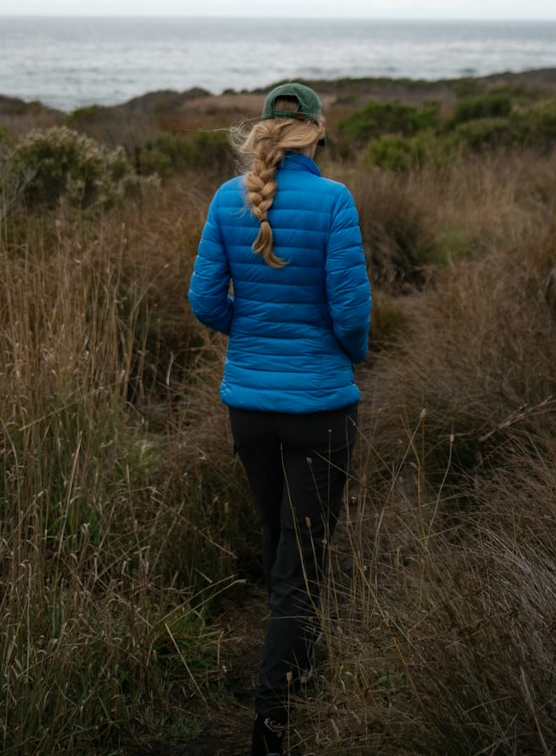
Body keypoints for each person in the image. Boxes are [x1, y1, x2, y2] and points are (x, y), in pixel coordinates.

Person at [188, 81, 372, 756]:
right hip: (320, 408)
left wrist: (256, 334)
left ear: (268, 130)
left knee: (280, 540)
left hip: (250, 411)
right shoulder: (334, 200)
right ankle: (272, 718)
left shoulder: (224, 199)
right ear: (316, 133)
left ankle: (296, 646)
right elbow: (352, 313)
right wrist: (344, 352)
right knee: (302, 557)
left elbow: (205, 299)